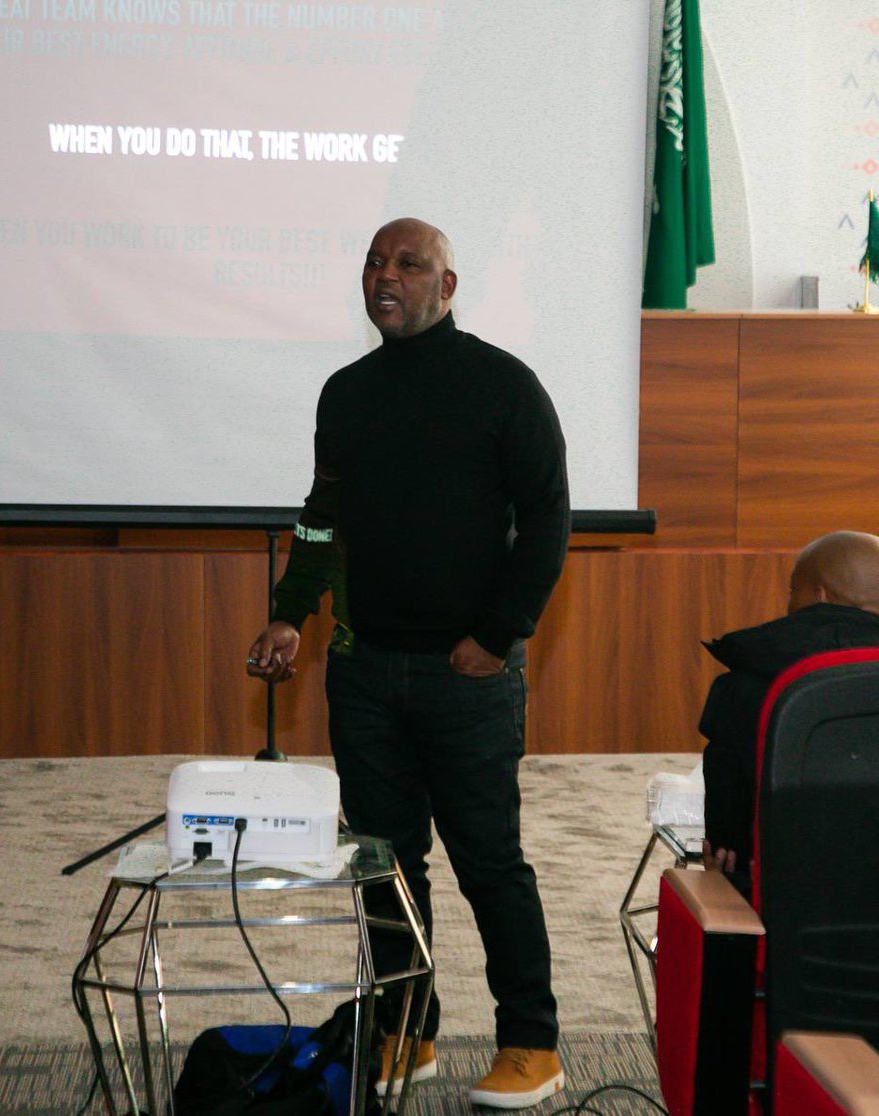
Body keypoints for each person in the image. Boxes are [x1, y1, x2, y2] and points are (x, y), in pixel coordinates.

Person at [246, 218, 570, 1109]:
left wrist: (498, 635)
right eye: (375, 263)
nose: (386, 276)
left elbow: (547, 523)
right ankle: (407, 1027)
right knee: (386, 864)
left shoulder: (505, 387)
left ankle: (532, 1043)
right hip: (364, 673)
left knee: (488, 862)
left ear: (448, 286)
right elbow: (322, 516)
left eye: (409, 264)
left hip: (467, 676)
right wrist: (289, 614)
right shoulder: (345, 394)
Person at [701, 530, 879, 895]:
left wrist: (725, 845)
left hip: (787, 899)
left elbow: (728, 795)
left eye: (793, 589)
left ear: (819, 595)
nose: (789, 599)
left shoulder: (749, 682)